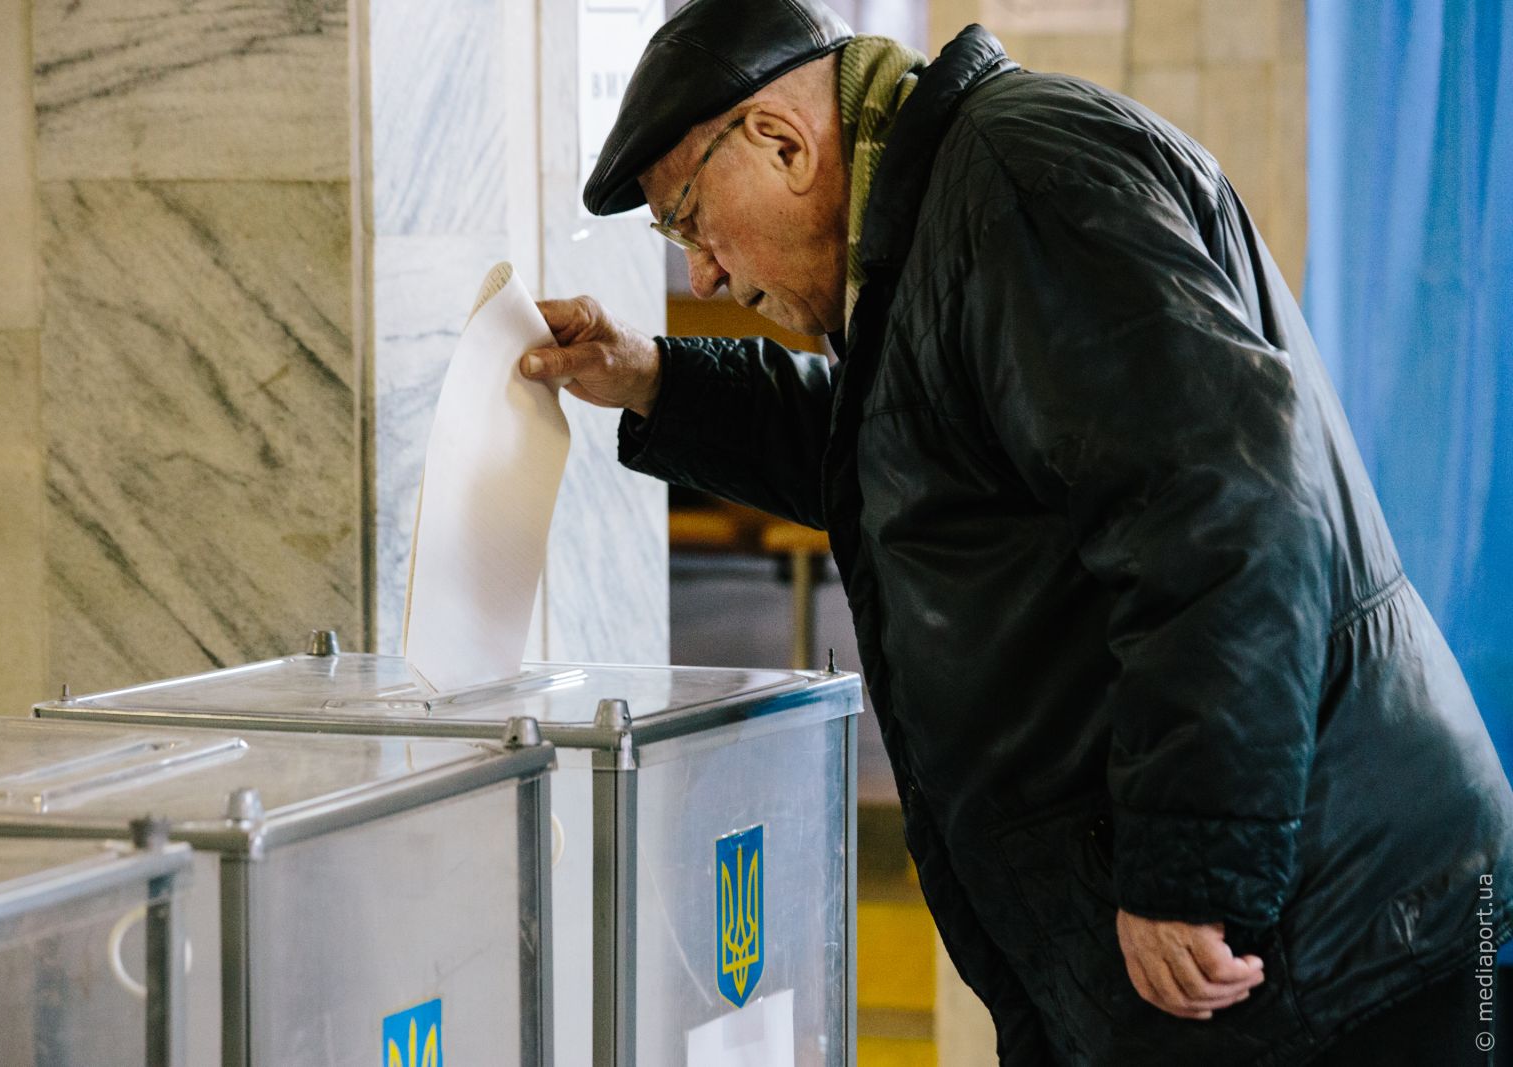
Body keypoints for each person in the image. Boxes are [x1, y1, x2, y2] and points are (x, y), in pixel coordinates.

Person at [520, 1, 1513, 1062]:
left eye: (688, 219)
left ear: (782, 140)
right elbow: (910, 455)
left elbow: (1223, 507)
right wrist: (657, 380)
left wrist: (1191, 864)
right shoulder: (942, 226)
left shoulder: (1020, 190)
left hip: (1326, 950)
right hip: (1268, 951)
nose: (703, 273)